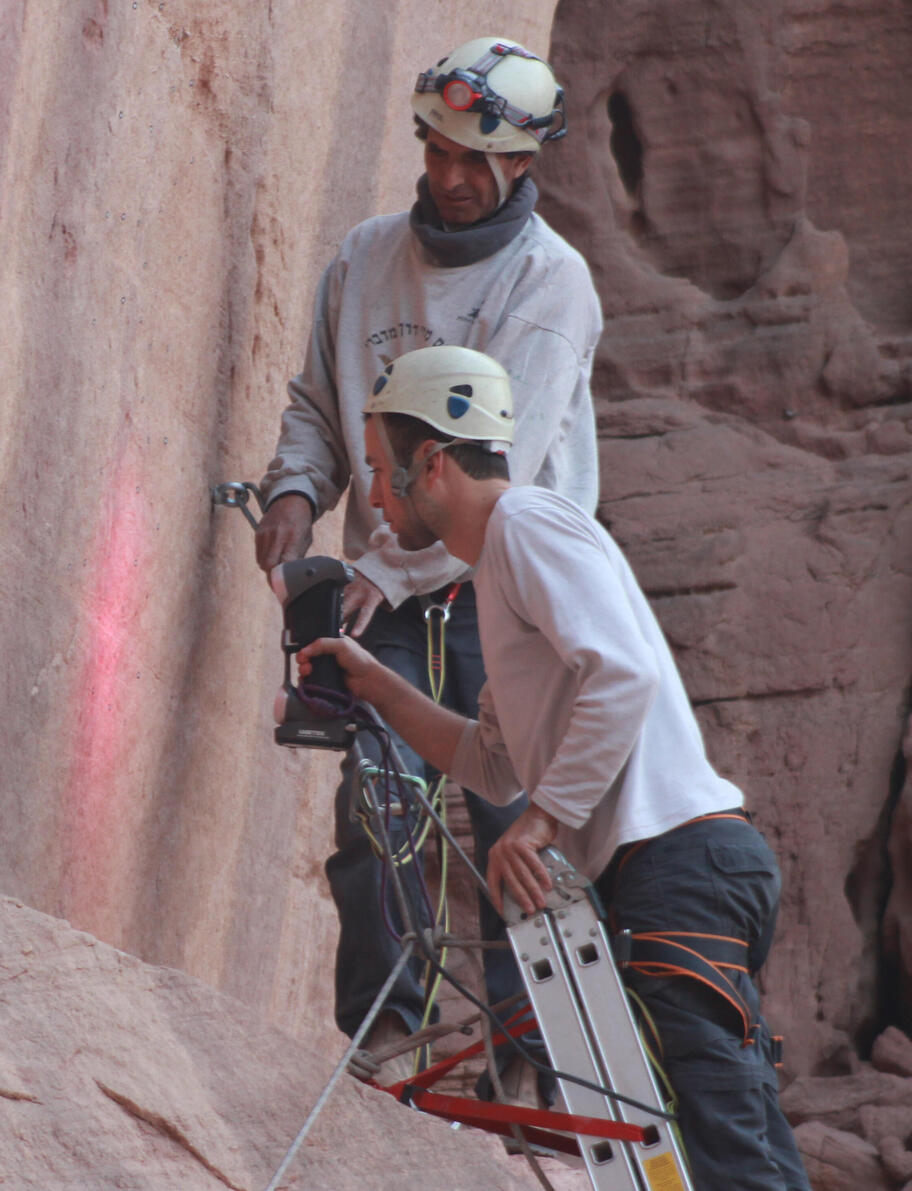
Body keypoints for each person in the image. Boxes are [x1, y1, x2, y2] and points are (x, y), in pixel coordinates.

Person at [296, 345, 812, 1191]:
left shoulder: (529, 525)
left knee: (729, 1148)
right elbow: (491, 764)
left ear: (433, 464)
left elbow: (624, 675)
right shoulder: (498, 571)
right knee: (716, 1145)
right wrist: (380, 685)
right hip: (674, 869)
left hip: (681, 861)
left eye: (383, 473)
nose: (377, 502)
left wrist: (539, 826)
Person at [254, 36, 602, 1096]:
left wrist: (387, 570)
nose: (450, 177)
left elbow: (501, 464)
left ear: (523, 164)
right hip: (389, 583)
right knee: (381, 810)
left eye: (476, 159)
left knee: (511, 824)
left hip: (508, 586)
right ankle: (384, 1040)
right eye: (437, 148)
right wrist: (294, 492)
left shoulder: (552, 285)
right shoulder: (365, 257)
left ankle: (536, 1067)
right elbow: (319, 403)